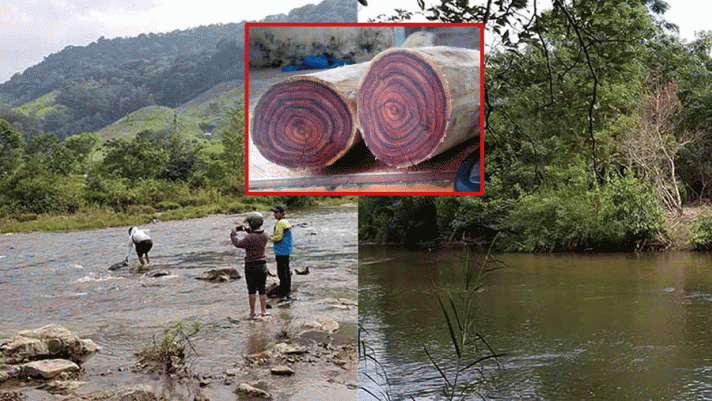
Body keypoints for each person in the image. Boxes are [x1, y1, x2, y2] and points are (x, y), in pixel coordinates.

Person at [230, 212, 273, 319]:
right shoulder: (265, 234)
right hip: (262, 265)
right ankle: (264, 311)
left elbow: (238, 243)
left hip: (250, 265)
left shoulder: (249, 238)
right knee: (262, 289)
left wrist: (233, 234)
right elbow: (257, 233)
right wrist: (247, 230)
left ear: (253, 223)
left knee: (251, 289)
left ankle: (252, 312)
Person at [269, 205, 293, 299]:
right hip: (287, 249)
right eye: (274, 212)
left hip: (281, 250)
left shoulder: (280, 223)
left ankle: (283, 293)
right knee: (286, 270)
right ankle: (287, 290)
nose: (275, 214)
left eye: (276, 212)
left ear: (282, 213)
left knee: (281, 272)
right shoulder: (286, 222)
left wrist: (269, 238)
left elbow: (278, 238)